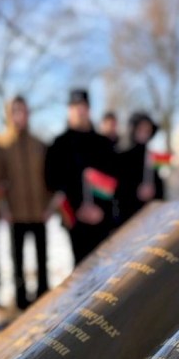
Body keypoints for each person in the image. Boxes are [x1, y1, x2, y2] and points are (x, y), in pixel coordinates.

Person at [0, 96, 51, 310]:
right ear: (8, 114)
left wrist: (49, 206)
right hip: (16, 213)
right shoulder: (0, 145)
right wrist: (2, 207)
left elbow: (47, 179)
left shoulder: (39, 145)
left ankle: (43, 294)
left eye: (23, 111)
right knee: (17, 259)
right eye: (15, 111)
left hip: (39, 211)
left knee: (42, 257)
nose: (19, 116)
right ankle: (21, 300)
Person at [45, 88, 118, 266]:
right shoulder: (59, 144)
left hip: (102, 219)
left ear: (89, 109)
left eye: (83, 106)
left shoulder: (103, 143)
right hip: (75, 220)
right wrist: (78, 208)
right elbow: (52, 180)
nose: (79, 111)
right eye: (75, 106)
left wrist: (100, 210)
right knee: (82, 269)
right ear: (69, 110)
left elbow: (114, 180)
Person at [114, 111, 164, 226]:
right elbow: (118, 192)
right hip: (129, 219)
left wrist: (154, 191)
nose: (143, 134)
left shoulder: (152, 158)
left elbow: (160, 187)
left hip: (151, 217)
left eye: (147, 131)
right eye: (140, 130)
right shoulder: (122, 157)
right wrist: (136, 192)